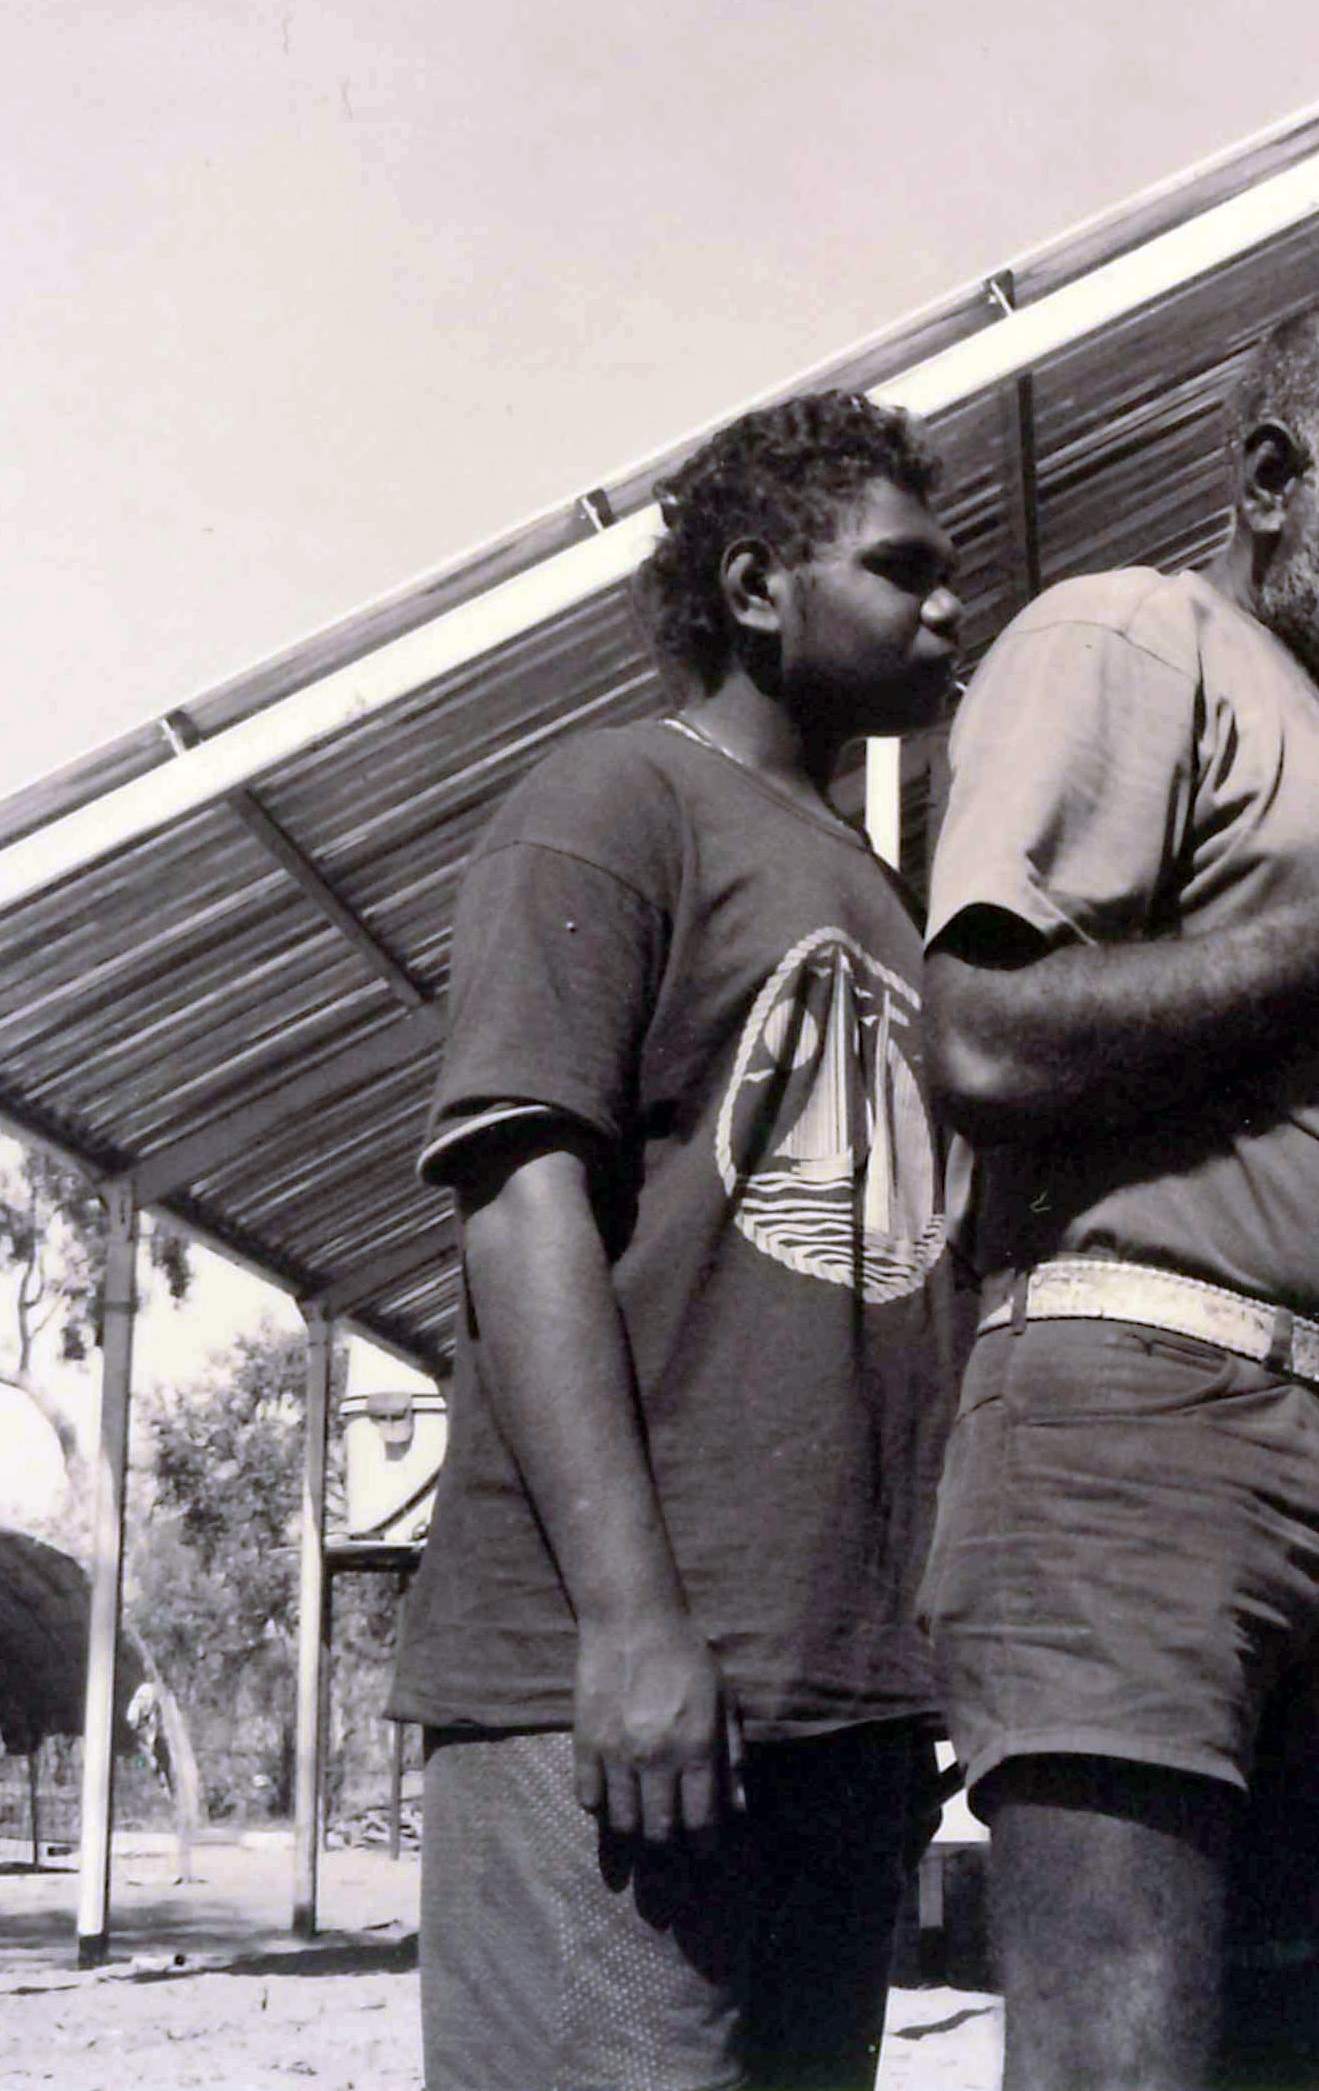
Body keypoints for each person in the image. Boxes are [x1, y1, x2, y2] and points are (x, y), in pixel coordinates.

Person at [918, 289, 1319, 2091]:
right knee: (1125, 2063)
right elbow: (981, 1037)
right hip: (1140, 1444)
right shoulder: (1135, 638)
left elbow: (1308, 1171)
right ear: (1274, 477)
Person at [396, 391, 971, 2091]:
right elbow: (520, 1200)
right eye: (902, 571)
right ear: (751, 584)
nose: (951, 608)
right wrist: (634, 1624)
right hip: (619, 1691)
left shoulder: (889, 898)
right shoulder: (614, 800)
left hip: (830, 1718)